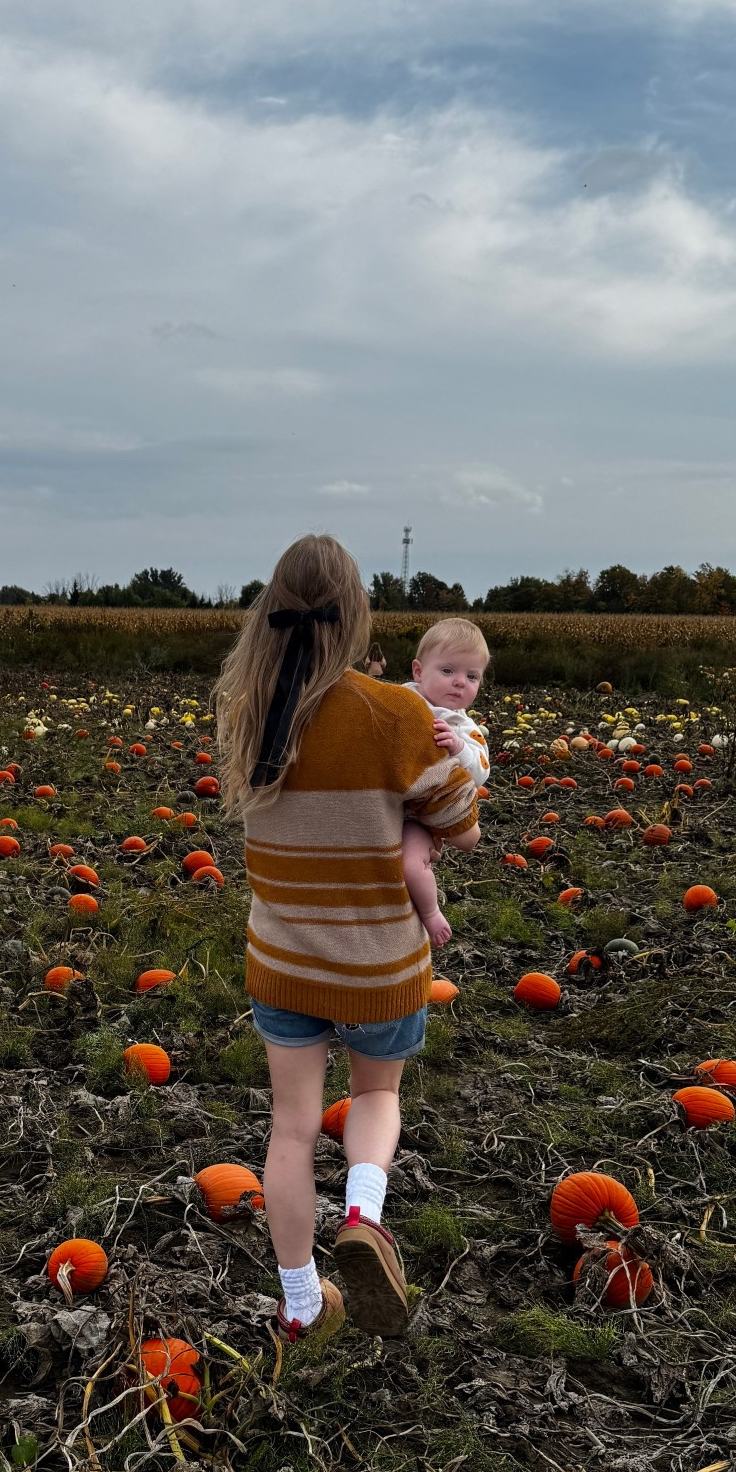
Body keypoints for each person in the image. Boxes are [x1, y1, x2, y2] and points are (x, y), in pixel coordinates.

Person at [213, 535, 481, 1345]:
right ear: (357, 617)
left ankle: (301, 1304)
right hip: (379, 967)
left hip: (286, 964)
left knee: (291, 1130)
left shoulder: (246, 708)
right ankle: (365, 1211)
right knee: (375, 1095)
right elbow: (459, 828)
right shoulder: (398, 713)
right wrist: (463, 763)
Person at [400, 619, 491, 950]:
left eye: (471, 676)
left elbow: (480, 772)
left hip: (418, 819)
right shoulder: (399, 701)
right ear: (418, 671)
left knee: (411, 865)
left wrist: (458, 748)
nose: (459, 683)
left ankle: (431, 913)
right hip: (384, 804)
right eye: (448, 670)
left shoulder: (463, 727)